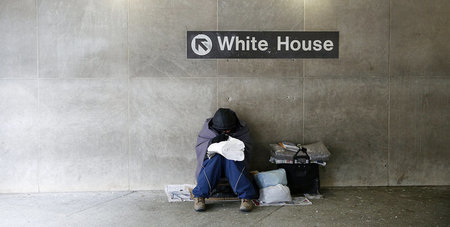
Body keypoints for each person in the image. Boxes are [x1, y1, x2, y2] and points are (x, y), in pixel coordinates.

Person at [192, 108, 258, 212]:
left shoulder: (242, 129)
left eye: (228, 130)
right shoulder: (208, 129)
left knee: (232, 158)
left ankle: (246, 197)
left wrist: (233, 144)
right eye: (222, 130)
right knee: (215, 158)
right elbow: (200, 149)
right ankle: (200, 197)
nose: (226, 132)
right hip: (213, 164)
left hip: (233, 164)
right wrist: (212, 142)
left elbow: (247, 148)